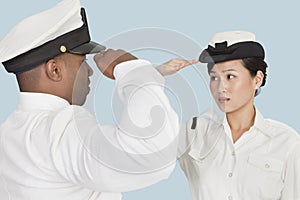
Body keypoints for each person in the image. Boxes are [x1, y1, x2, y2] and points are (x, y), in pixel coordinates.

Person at [0, 0, 194, 199]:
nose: (90, 71)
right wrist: (131, 70)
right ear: (55, 70)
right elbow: (152, 155)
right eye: (82, 62)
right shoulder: (60, 128)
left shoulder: (8, 134)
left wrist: (151, 74)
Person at [160, 31, 300, 200]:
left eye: (230, 76)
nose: (221, 87)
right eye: (214, 78)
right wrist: (154, 74)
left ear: (257, 79)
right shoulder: (195, 133)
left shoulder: (287, 143)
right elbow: (139, 154)